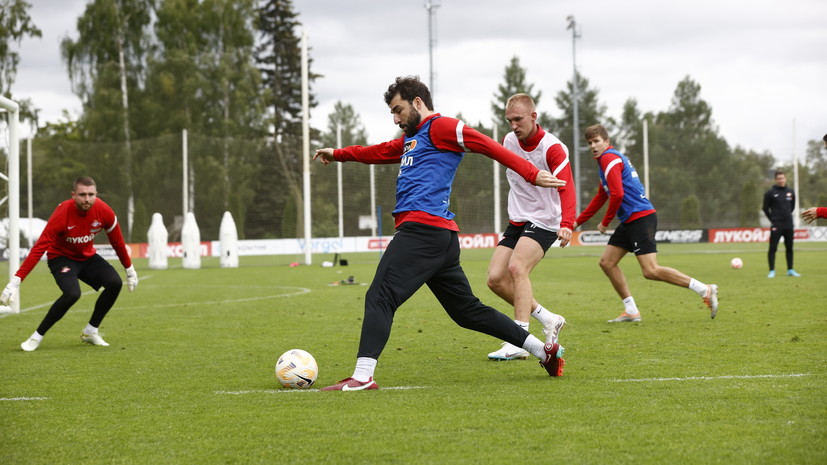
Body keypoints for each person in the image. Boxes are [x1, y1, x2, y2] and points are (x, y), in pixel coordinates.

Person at [313, 76, 567, 390]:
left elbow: (488, 146)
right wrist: (338, 154)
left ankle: (362, 377)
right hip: (440, 238)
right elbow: (376, 152)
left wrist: (531, 173)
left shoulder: (444, 127)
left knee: (380, 296)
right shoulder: (412, 138)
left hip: (423, 231)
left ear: (417, 102)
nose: (396, 118)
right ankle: (543, 350)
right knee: (466, 312)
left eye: (399, 110)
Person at [571, 124, 719, 322]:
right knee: (607, 263)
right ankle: (631, 311)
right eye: (589, 143)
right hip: (629, 219)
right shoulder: (605, 163)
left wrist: (605, 222)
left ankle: (704, 289)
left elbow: (617, 194)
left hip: (640, 217)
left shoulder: (609, 158)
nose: (593, 145)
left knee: (650, 271)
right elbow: (601, 197)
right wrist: (576, 222)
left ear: (606, 142)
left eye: (596, 141)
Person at [0, 176, 138, 351]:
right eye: (82, 194)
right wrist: (16, 280)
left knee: (115, 282)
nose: (87, 199)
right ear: (73, 195)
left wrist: (129, 269)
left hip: (87, 257)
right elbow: (39, 248)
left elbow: (117, 242)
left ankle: (91, 331)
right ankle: (36, 336)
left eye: (91, 194)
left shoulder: (105, 211)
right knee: (72, 293)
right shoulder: (62, 214)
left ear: (96, 194)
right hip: (61, 258)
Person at [485, 93, 573, 361]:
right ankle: (549, 319)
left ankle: (519, 339)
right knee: (495, 279)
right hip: (517, 219)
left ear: (534, 117)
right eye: (509, 120)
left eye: (518, 119)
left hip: (545, 220)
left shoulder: (553, 148)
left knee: (516, 268)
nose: (513, 125)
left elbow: (567, 187)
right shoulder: (508, 141)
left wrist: (567, 223)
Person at [762, 170, 799, 278]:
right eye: (778, 178)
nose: (781, 180)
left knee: (789, 248)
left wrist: (786, 216)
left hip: (788, 224)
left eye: (782, 178)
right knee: (773, 248)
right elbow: (765, 208)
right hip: (776, 224)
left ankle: (790, 269)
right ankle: (772, 271)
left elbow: (792, 207)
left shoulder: (790, 192)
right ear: (775, 180)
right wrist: (772, 219)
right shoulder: (770, 193)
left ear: (785, 179)